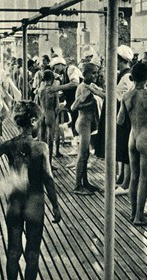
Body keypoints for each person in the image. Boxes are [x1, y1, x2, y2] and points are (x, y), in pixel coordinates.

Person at [0, 100, 61, 279]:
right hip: (35, 202)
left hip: (14, 202)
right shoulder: (41, 147)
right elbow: (48, 178)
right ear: (32, 121)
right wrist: (55, 205)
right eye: (39, 121)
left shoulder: (8, 145)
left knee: (13, 252)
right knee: (32, 253)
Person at [94, 45, 134, 195]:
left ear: (120, 60)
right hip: (120, 116)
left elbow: (116, 97)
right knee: (122, 150)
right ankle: (121, 180)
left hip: (124, 118)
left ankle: (125, 184)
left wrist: (96, 91)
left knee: (125, 151)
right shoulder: (122, 75)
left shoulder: (126, 77)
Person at [117, 62, 147, 225]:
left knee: (134, 176)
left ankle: (133, 212)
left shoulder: (127, 96)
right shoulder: (146, 96)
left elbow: (119, 120)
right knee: (144, 177)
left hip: (132, 137)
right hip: (145, 137)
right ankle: (139, 216)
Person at [71, 63, 100, 195]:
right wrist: (91, 102)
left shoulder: (89, 86)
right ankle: (77, 185)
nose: (95, 75)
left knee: (86, 154)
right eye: (93, 73)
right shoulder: (83, 87)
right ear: (85, 74)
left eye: (96, 73)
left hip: (88, 123)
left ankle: (85, 182)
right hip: (83, 123)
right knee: (82, 155)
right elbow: (74, 107)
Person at [49, 56, 83, 137]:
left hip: (80, 101)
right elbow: (66, 91)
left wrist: (56, 88)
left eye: (55, 68)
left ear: (60, 64)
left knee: (79, 125)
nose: (54, 71)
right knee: (75, 124)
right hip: (73, 103)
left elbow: (75, 84)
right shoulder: (63, 75)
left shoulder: (71, 69)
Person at [39, 70, 59, 164]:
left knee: (42, 141)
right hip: (50, 114)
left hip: (42, 114)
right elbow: (57, 107)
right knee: (50, 141)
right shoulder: (54, 90)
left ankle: (42, 164)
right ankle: (49, 164)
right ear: (52, 79)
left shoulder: (40, 90)